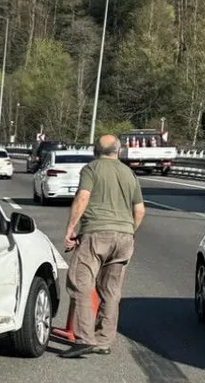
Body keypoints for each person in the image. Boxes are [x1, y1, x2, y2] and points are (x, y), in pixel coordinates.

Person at [61, 135, 146, 358]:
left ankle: (84, 338)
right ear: (119, 151)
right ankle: (103, 341)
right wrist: (128, 231)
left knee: (80, 282)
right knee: (111, 291)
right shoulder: (130, 173)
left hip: (97, 234)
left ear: (95, 151)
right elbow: (140, 211)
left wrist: (71, 228)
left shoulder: (92, 168)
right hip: (125, 237)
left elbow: (82, 197)